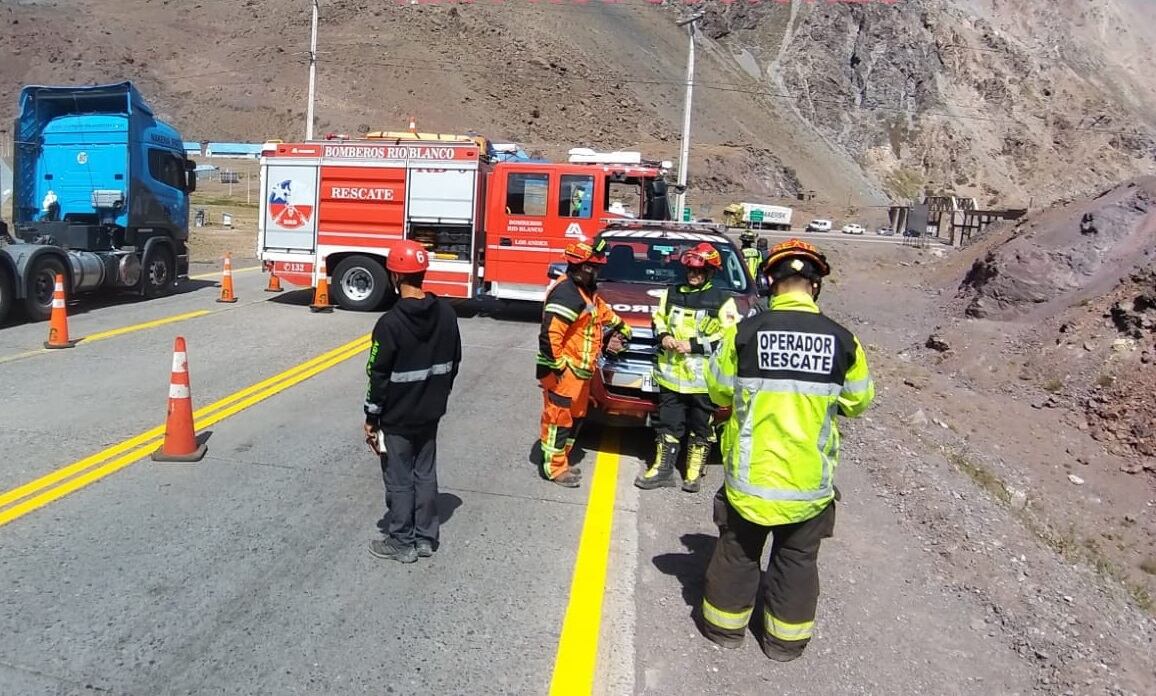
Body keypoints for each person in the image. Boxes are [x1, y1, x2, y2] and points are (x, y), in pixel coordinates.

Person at [698, 238, 874, 661]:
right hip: (808, 485)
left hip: (750, 479)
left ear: (770, 283)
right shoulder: (843, 340)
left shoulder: (744, 334)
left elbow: (718, 389)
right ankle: (784, 644)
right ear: (814, 287)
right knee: (796, 561)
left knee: (738, 554)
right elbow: (858, 401)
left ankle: (725, 632)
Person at [363, 240, 462, 564]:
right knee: (425, 473)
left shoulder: (389, 324)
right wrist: (437, 397)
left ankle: (401, 540)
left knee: (400, 477)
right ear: (422, 274)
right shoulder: (446, 314)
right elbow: (454, 362)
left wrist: (371, 416)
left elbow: (377, 374)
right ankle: (425, 539)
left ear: (394, 276)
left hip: (398, 418)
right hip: (431, 413)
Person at [635, 242, 738, 493]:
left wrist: (694, 345)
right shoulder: (670, 293)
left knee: (701, 426)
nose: (694, 275)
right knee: (668, 425)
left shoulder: (723, 300)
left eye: (700, 272)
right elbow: (658, 319)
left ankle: (693, 473)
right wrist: (664, 337)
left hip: (704, 381)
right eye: (691, 271)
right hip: (671, 377)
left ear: (711, 273)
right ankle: (662, 470)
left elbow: (729, 338)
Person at [536, 239, 632, 487]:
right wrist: (558, 367)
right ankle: (554, 469)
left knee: (576, 417)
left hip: (580, 372)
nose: (595, 272)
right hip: (564, 372)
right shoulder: (567, 294)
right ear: (578, 266)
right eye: (591, 268)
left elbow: (601, 312)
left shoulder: (586, 291)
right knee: (559, 420)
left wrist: (622, 326)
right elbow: (550, 336)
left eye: (596, 267)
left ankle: (562, 460)